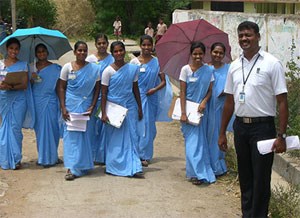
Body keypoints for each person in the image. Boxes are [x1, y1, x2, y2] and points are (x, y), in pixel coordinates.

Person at [218, 21, 288, 217]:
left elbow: (282, 102)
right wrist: (222, 132)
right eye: (240, 36)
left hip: (263, 129)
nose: (244, 39)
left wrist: (281, 135)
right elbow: (229, 102)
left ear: (257, 36)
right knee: (246, 177)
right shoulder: (233, 66)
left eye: (248, 35)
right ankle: (247, 214)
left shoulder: (271, 63)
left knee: (261, 179)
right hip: (240, 127)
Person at [57, 41, 100, 180]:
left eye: (84, 50)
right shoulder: (67, 68)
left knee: (85, 136)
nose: (82, 53)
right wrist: (63, 107)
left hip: (86, 107)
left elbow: (97, 89)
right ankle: (70, 168)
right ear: (75, 52)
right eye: (79, 50)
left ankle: (83, 165)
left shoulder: (94, 69)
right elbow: (61, 87)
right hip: (71, 106)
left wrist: (93, 106)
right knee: (70, 137)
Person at [101, 41, 144, 178]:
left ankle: (135, 166)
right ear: (112, 53)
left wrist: (139, 107)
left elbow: (135, 88)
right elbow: (103, 93)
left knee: (132, 135)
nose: (119, 53)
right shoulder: (107, 71)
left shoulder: (132, 69)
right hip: (114, 108)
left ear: (124, 51)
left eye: (121, 51)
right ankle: (113, 165)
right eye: (116, 51)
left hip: (129, 105)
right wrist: (103, 112)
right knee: (115, 138)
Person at [130, 35, 171, 167]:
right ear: (140, 45)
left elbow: (164, 81)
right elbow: (129, 82)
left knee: (149, 128)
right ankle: (135, 153)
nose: (146, 48)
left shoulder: (157, 62)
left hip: (151, 98)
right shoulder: (134, 63)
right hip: (136, 98)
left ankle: (145, 155)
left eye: (149, 45)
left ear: (152, 46)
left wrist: (154, 89)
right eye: (144, 45)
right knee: (136, 127)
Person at [179, 41, 216, 185]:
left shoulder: (208, 70)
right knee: (191, 143)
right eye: (195, 53)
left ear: (204, 54)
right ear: (191, 54)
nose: (198, 56)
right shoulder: (185, 70)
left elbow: (210, 90)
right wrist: (183, 113)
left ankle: (197, 173)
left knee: (200, 143)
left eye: (200, 53)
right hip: (187, 112)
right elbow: (182, 92)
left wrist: (204, 102)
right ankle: (195, 172)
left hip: (201, 111)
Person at [0, 37, 35, 170]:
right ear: (7, 49)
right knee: (4, 127)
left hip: (19, 99)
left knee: (15, 128)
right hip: (4, 98)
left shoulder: (23, 65)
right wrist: (3, 86)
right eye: (11, 48)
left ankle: (15, 158)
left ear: (19, 50)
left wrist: (12, 87)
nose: (13, 51)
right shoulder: (1, 64)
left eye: (16, 49)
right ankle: (4, 159)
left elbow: (24, 83)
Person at [31, 43, 62, 167]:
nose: (41, 54)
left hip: (51, 101)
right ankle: (43, 157)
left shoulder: (55, 68)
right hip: (37, 102)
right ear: (35, 54)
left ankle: (52, 156)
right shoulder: (31, 68)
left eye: (43, 51)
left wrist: (62, 104)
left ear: (47, 53)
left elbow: (59, 87)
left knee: (53, 129)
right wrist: (31, 79)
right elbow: (27, 87)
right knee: (40, 130)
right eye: (38, 52)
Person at [86, 34, 114, 165]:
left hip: (107, 97)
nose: (102, 45)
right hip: (93, 96)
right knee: (92, 126)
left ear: (107, 44)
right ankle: (91, 154)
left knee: (105, 127)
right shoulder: (90, 59)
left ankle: (102, 155)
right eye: (99, 43)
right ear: (95, 44)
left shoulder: (113, 59)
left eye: (104, 43)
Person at [207, 42, 231, 177]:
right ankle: (206, 164)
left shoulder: (228, 68)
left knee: (218, 134)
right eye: (215, 52)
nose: (218, 55)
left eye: (221, 53)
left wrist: (226, 91)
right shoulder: (205, 68)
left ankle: (218, 165)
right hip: (207, 105)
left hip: (221, 106)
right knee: (206, 135)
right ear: (210, 52)